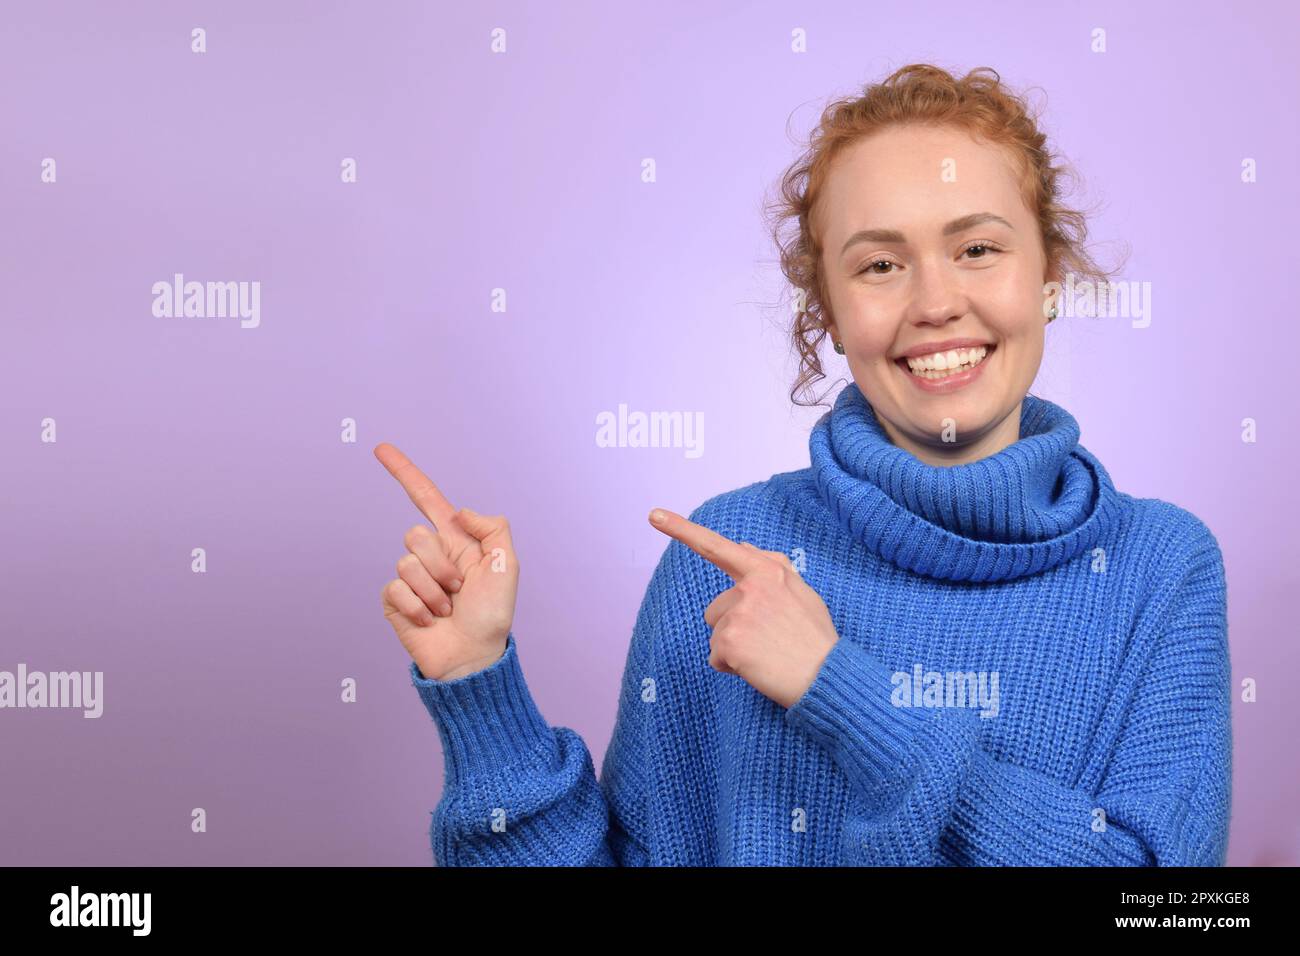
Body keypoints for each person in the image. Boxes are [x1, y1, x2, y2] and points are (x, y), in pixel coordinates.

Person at [376, 64, 1232, 866]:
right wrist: (476, 684)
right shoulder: (722, 556)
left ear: (1050, 274)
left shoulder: (1161, 567)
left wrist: (839, 691)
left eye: (977, 248)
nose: (935, 302)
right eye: (880, 265)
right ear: (826, 308)